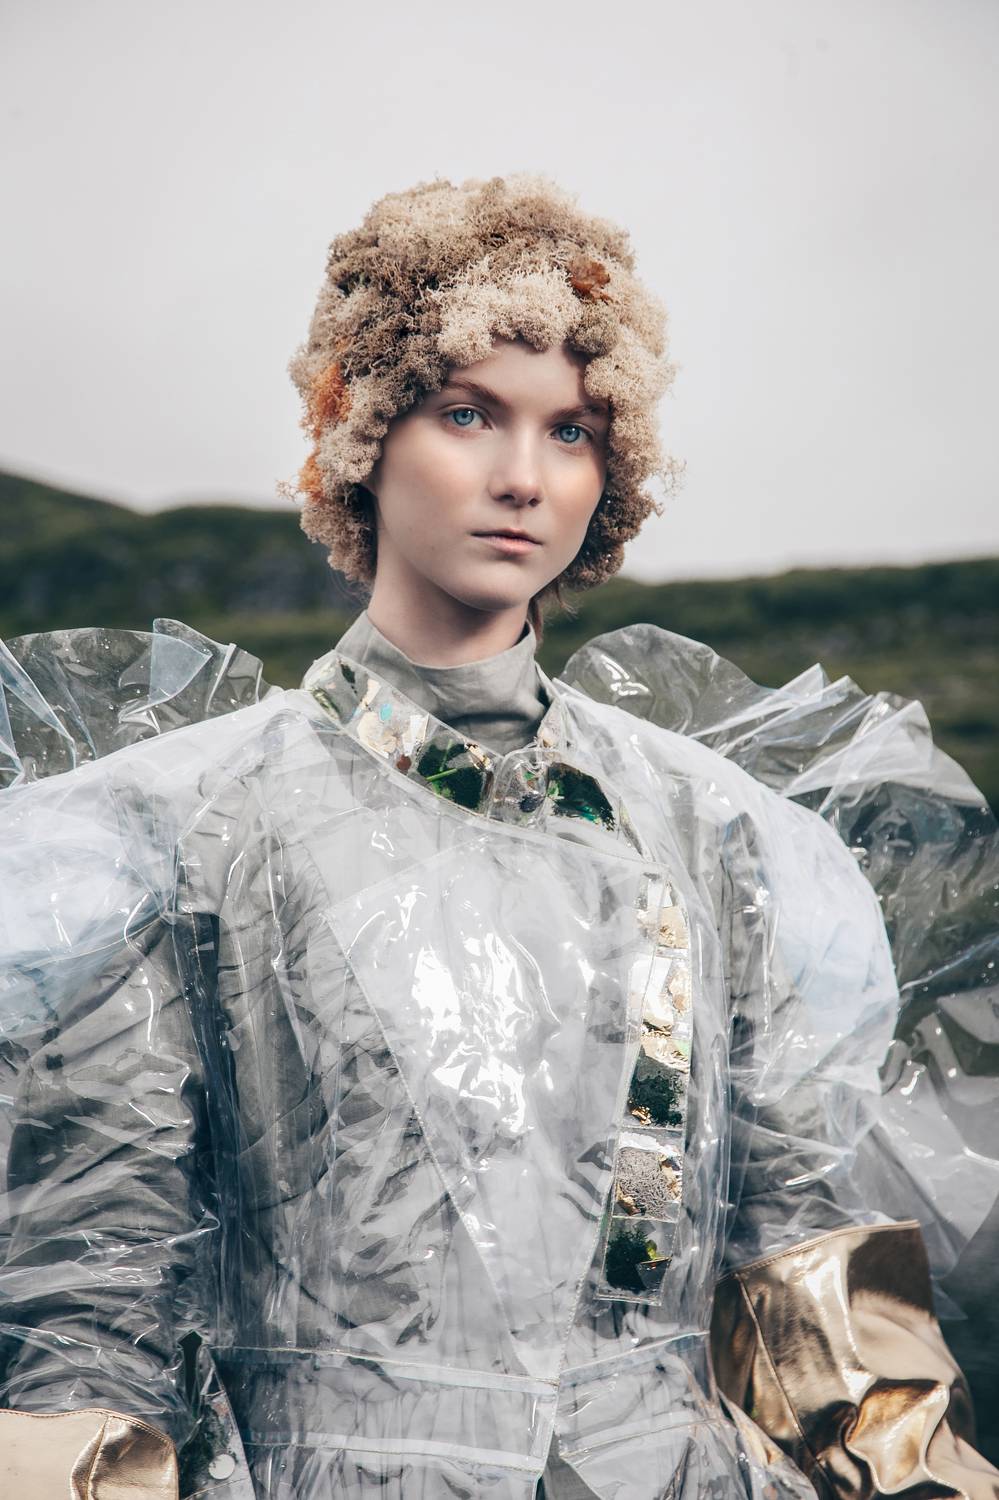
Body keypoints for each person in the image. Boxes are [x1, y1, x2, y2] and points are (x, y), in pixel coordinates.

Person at [1, 174, 997, 1500]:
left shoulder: (721, 837)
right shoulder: (179, 831)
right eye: (468, 413)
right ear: (361, 427)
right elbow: (89, 1318)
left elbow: (804, 1267)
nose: (523, 477)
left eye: (573, 431)